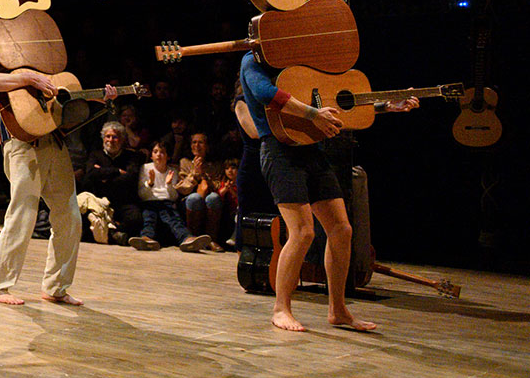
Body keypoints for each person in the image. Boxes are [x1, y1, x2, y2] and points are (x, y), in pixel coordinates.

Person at [0, 16, 115, 306]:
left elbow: (60, 99)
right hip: (20, 141)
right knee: (23, 212)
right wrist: (27, 78)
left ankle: (56, 286)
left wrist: (96, 99)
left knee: (69, 213)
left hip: (53, 139)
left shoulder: (41, 56)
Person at [237, 50, 375, 333]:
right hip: (279, 152)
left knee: (342, 229)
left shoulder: (299, 62)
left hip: (311, 149)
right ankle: (281, 308)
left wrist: (386, 106)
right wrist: (313, 114)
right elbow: (265, 93)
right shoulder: (252, 60)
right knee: (302, 232)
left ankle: (338, 310)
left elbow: (333, 103)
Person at [129, 139, 211, 252]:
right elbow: (143, 194)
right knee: (149, 219)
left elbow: (173, 196)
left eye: (162, 152)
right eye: (155, 152)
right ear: (151, 156)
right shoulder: (145, 168)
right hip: (149, 202)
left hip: (166, 203)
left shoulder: (172, 171)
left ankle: (187, 239)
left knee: (174, 220)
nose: (158, 155)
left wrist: (168, 185)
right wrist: (150, 183)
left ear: (168, 156)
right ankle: (146, 239)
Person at [178, 131, 226, 247]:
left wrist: (204, 174)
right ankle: (193, 239)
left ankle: (211, 240)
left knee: (214, 198)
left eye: (201, 142)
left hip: (209, 196)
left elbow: (218, 186)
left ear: (207, 146)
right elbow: (183, 188)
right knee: (194, 198)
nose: (197, 145)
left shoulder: (215, 165)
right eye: (194, 142)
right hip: (190, 198)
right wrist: (195, 173)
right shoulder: (185, 162)